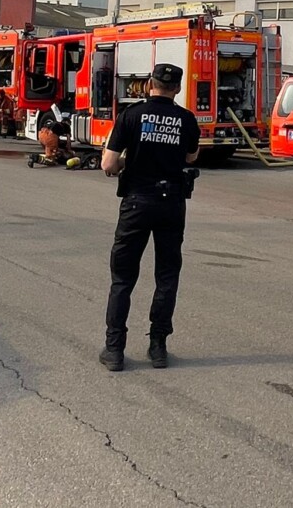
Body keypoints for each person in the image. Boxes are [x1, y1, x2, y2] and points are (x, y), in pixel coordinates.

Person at [99, 63, 200, 372]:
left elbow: (108, 163)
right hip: (171, 204)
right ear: (177, 89)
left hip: (137, 204)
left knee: (123, 279)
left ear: (148, 84)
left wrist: (126, 163)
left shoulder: (130, 116)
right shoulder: (186, 119)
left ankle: (115, 349)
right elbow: (191, 157)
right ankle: (158, 347)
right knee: (167, 277)